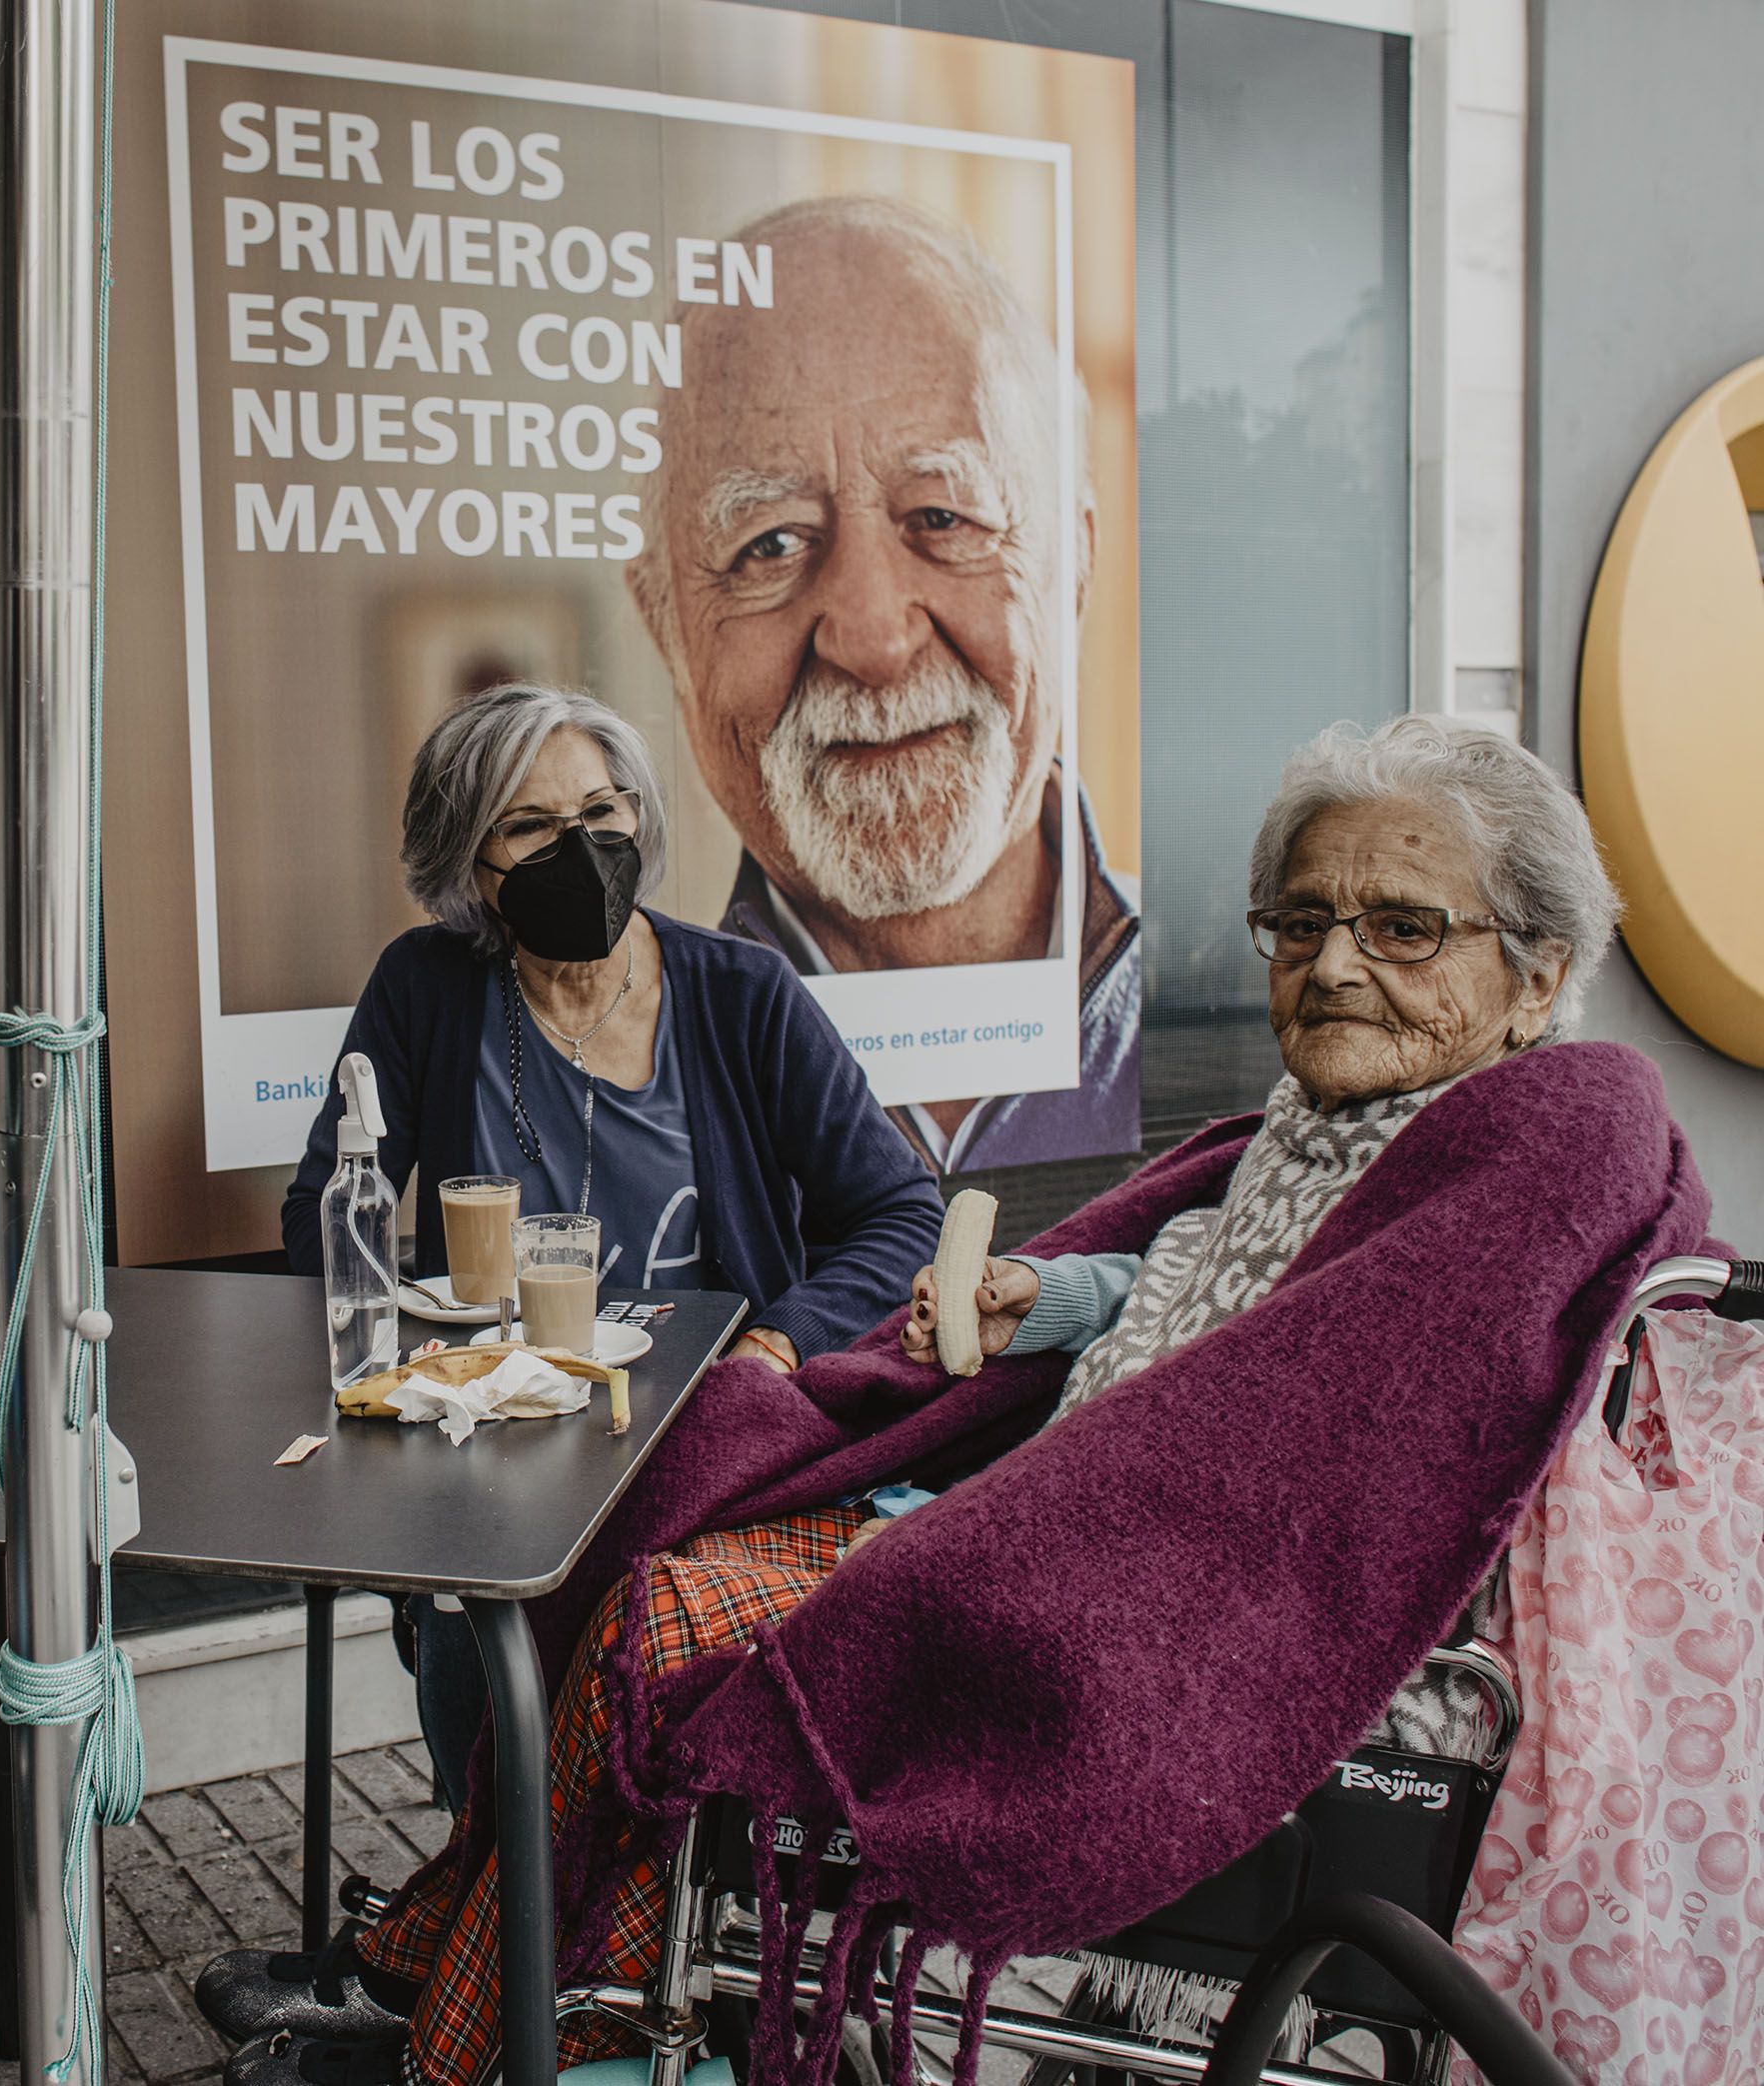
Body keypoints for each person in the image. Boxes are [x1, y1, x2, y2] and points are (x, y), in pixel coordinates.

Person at [209, 715, 1643, 2086]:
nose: (1334, 964)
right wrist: (1060, 1295)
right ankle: (461, 1971)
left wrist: (781, 1351)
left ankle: (459, 2014)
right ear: (473, 861)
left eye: (1401, 927)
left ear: (1534, 974)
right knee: (580, 1592)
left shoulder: (1504, 1159)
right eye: (1304, 921)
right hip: (887, 1470)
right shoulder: (1302, 1124)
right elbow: (1193, 1267)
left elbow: (1268, 1384)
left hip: (1112, 1568)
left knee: (653, 1618)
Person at [271, 681, 942, 1810]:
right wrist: (406, 1346)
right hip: (498, 1448)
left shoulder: (741, 991)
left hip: (704, 1440)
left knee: (663, 1766)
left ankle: (598, 1942)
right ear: (467, 862)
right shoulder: (426, 987)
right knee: (493, 1752)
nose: (578, 850)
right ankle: (503, 1919)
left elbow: (897, 1211)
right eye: (529, 827)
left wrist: (777, 1345)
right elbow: (321, 1210)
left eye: (603, 812)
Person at [626, 193, 1138, 1173]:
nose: (872, 637)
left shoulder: (1239, 1008)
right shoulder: (609, 1082)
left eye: (943, 517)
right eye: (768, 542)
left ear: (1072, 556)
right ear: (663, 620)